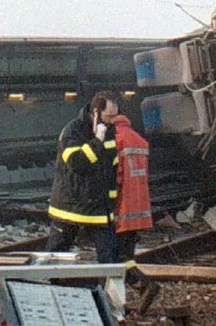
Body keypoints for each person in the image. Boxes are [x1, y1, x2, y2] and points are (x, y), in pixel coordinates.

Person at [46, 90, 120, 263]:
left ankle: (106, 281)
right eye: (109, 116)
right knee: (55, 256)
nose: (113, 121)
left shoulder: (110, 131)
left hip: (99, 209)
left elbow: (112, 170)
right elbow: (78, 164)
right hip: (69, 207)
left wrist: (112, 204)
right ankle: (49, 280)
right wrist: (97, 142)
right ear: (96, 113)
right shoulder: (72, 131)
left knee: (109, 257)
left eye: (115, 116)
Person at [111, 111, 160, 314]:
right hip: (138, 207)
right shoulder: (139, 140)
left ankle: (140, 286)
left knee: (114, 256)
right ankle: (139, 288)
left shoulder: (116, 140)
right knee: (127, 254)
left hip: (122, 206)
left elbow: (117, 176)